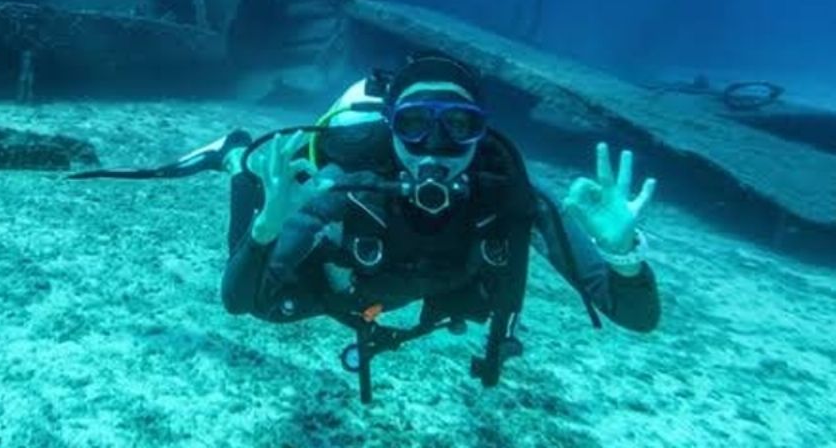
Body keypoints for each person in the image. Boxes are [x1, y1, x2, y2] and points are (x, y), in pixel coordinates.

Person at [219, 50, 660, 398]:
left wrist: (622, 254)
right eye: (413, 124)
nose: (433, 147)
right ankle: (239, 164)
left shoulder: (514, 193)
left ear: (480, 131)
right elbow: (241, 300)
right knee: (268, 303)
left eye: (458, 124)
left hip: (419, 287)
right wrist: (268, 226)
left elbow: (636, 317)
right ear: (390, 127)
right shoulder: (350, 182)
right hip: (368, 286)